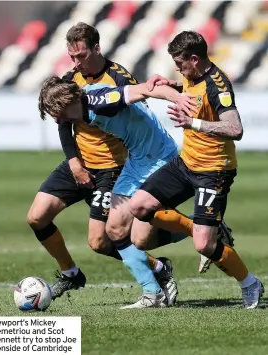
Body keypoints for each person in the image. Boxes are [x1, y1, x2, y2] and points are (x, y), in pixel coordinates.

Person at [27, 22, 182, 302]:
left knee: (101, 241)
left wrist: (176, 95)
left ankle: (160, 265)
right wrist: (74, 162)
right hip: (80, 163)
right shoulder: (70, 81)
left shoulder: (117, 80)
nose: (75, 63)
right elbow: (64, 123)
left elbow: (140, 107)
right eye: (71, 57)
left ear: (96, 48)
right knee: (37, 216)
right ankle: (70, 273)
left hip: (112, 168)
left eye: (81, 56)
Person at [38, 75, 200, 308]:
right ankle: (153, 294)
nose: (55, 118)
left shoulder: (102, 100)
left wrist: (178, 97)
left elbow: (145, 90)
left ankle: (201, 227)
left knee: (141, 238)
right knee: (114, 230)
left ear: (65, 106)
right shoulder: (81, 106)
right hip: (136, 161)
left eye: (55, 112)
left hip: (158, 159)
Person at [128, 31, 264, 309]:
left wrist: (194, 124)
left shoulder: (219, 86)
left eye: (179, 63)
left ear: (194, 58)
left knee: (204, 246)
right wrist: (171, 85)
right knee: (139, 206)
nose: (177, 68)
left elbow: (235, 129)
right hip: (186, 163)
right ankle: (204, 227)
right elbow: (190, 91)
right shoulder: (192, 75)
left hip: (214, 172)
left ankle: (250, 282)